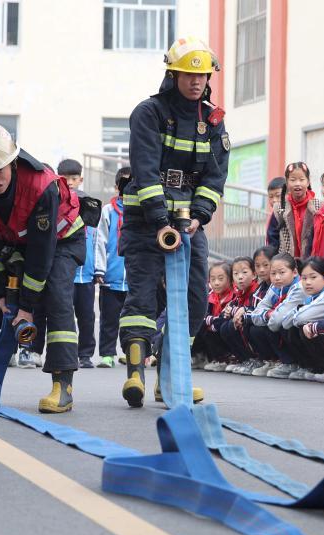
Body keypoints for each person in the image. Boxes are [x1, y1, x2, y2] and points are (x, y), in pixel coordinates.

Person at [118, 36, 230, 407]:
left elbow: (215, 178)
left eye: (202, 76)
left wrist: (198, 216)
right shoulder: (149, 113)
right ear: (173, 74)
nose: (196, 82)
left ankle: (170, 379)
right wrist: (160, 218)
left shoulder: (212, 121)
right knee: (143, 298)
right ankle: (135, 374)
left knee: (196, 302)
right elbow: (145, 170)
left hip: (190, 223)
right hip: (145, 219)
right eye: (187, 74)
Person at [0, 122, 89, 413]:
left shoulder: (41, 186)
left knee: (55, 295)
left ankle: (62, 384)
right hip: (13, 240)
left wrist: (26, 306)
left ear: (13, 163)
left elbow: (41, 254)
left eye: (0, 169)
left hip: (61, 240)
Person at [57, 159, 106, 369]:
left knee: (86, 316)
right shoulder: (55, 201)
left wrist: (97, 269)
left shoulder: (89, 204)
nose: (69, 182)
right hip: (63, 272)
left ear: (81, 179)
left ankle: (85, 354)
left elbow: (96, 240)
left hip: (85, 274)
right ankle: (63, 355)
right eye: (65, 178)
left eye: (74, 178)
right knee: (63, 315)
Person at [276, 256, 324, 380]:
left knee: (303, 328)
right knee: (289, 330)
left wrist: (298, 311)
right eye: (304, 278)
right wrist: (299, 310)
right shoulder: (311, 296)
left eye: (313, 277)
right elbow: (285, 322)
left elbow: (300, 318)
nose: (308, 282)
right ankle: (310, 367)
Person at [245, 252, 301, 377]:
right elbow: (255, 314)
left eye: (282, 273)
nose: (277, 278)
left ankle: (295, 363)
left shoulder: (299, 288)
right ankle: (272, 361)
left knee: (284, 326)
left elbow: (277, 321)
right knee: (253, 327)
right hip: (275, 320)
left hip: (296, 329)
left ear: (295, 272)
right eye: (273, 273)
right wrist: (268, 314)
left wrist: (269, 315)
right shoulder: (275, 287)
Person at [98, 167, 129, 368]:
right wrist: (100, 269)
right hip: (111, 276)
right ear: (118, 186)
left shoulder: (145, 210)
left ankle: (130, 352)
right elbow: (99, 240)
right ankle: (107, 354)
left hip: (135, 279)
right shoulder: (108, 211)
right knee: (109, 320)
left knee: (132, 321)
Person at [193, 260, 233, 369]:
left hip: (223, 333)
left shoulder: (234, 296)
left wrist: (211, 320)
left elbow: (223, 319)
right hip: (213, 328)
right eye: (212, 279)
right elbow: (203, 315)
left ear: (230, 279)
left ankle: (224, 359)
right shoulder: (209, 295)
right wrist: (211, 320)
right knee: (197, 324)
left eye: (221, 279)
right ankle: (200, 356)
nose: (216, 283)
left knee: (218, 327)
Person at [274, 162, 317, 258]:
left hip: (311, 263)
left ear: (308, 182)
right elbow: (272, 238)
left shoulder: (319, 207)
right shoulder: (279, 208)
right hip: (286, 264)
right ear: (287, 182)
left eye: (302, 180)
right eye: (293, 180)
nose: (297, 184)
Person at [265, 176, 285, 246]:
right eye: (271, 196)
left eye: (278, 195)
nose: (274, 200)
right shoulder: (275, 214)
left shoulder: (288, 213)